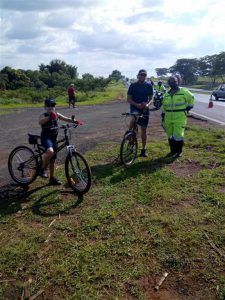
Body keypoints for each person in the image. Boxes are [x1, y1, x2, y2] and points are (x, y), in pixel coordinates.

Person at [39, 98, 81, 185]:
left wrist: (75, 121)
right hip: (46, 138)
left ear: (55, 107)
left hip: (54, 139)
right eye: (48, 106)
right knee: (50, 152)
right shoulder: (44, 115)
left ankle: (52, 178)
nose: (51, 107)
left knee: (53, 160)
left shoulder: (57, 114)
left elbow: (66, 119)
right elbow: (40, 122)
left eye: (53, 105)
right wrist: (49, 117)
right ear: (45, 107)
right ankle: (41, 169)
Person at [161, 75, 195, 158]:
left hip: (180, 117)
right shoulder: (166, 94)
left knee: (178, 135)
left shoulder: (184, 91)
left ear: (178, 82)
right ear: (169, 83)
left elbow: (192, 98)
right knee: (170, 135)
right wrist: (163, 117)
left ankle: (179, 151)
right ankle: (172, 151)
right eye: (171, 82)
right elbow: (163, 106)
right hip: (168, 117)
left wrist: (188, 108)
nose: (173, 83)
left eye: (175, 82)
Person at [127, 69, 153, 157]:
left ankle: (143, 149)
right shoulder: (133, 85)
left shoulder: (149, 86)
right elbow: (129, 99)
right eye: (141, 75)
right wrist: (137, 105)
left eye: (144, 75)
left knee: (143, 130)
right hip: (135, 107)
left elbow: (151, 98)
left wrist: (147, 105)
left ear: (146, 76)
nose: (143, 76)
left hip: (145, 109)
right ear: (138, 75)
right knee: (134, 118)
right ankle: (129, 133)